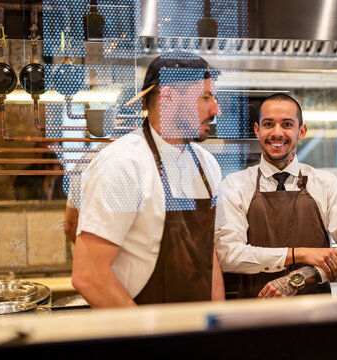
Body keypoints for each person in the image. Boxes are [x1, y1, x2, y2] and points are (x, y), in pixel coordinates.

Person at [72, 52, 225, 307]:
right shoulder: (123, 164)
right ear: (168, 97)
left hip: (196, 336)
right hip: (141, 335)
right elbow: (89, 275)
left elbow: (208, 255)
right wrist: (147, 338)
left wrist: (217, 327)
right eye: (205, 97)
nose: (215, 109)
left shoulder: (207, 165)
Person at [215, 93, 337, 298]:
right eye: (268, 124)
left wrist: (304, 275)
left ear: (302, 131)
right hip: (255, 312)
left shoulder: (325, 183)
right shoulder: (234, 185)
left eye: (287, 124)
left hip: (315, 315)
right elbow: (228, 254)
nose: (276, 133)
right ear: (257, 130)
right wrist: (300, 254)